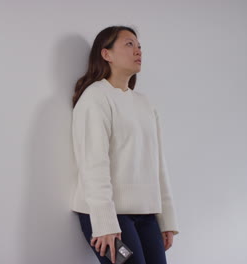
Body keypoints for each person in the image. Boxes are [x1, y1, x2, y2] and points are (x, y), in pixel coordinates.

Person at [70, 25, 179, 264]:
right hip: (107, 214)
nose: (138, 50)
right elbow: (93, 164)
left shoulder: (144, 104)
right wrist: (104, 223)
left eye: (139, 46)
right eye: (129, 44)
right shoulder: (95, 97)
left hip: (146, 215)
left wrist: (166, 220)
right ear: (106, 54)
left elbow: (158, 164)